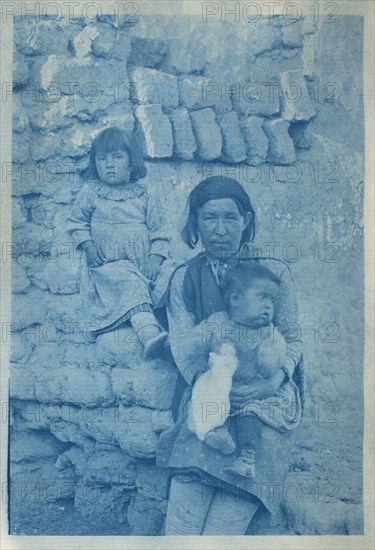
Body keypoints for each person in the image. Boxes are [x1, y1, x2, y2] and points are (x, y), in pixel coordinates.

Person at [156, 176, 304, 535]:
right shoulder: (184, 278)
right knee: (183, 514)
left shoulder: (274, 271)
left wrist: (273, 380)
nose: (220, 230)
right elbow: (182, 346)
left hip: (266, 397)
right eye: (209, 219)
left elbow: (295, 336)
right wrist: (208, 384)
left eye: (230, 218)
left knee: (229, 514)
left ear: (246, 221)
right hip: (213, 389)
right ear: (195, 223)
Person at [185, 263, 301, 479]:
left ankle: (247, 458)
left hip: (250, 391)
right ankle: (214, 432)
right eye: (262, 297)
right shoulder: (218, 322)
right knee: (204, 398)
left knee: (251, 414)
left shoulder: (269, 333)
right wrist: (198, 348)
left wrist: (270, 357)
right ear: (235, 299)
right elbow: (194, 344)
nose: (269, 306)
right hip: (220, 384)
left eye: (272, 300)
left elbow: (271, 362)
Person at [68, 127, 169, 359]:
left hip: (144, 262)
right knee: (129, 284)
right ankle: (149, 335)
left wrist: (156, 258)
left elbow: (161, 228)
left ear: (132, 162)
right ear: (95, 164)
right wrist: (89, 246)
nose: (109, 164)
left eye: (117, 157)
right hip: (108, 267)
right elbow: (76, 222)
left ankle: (179, 331)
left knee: (173, 277)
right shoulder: (91, 192)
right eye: (101, 159)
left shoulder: (146, 193)